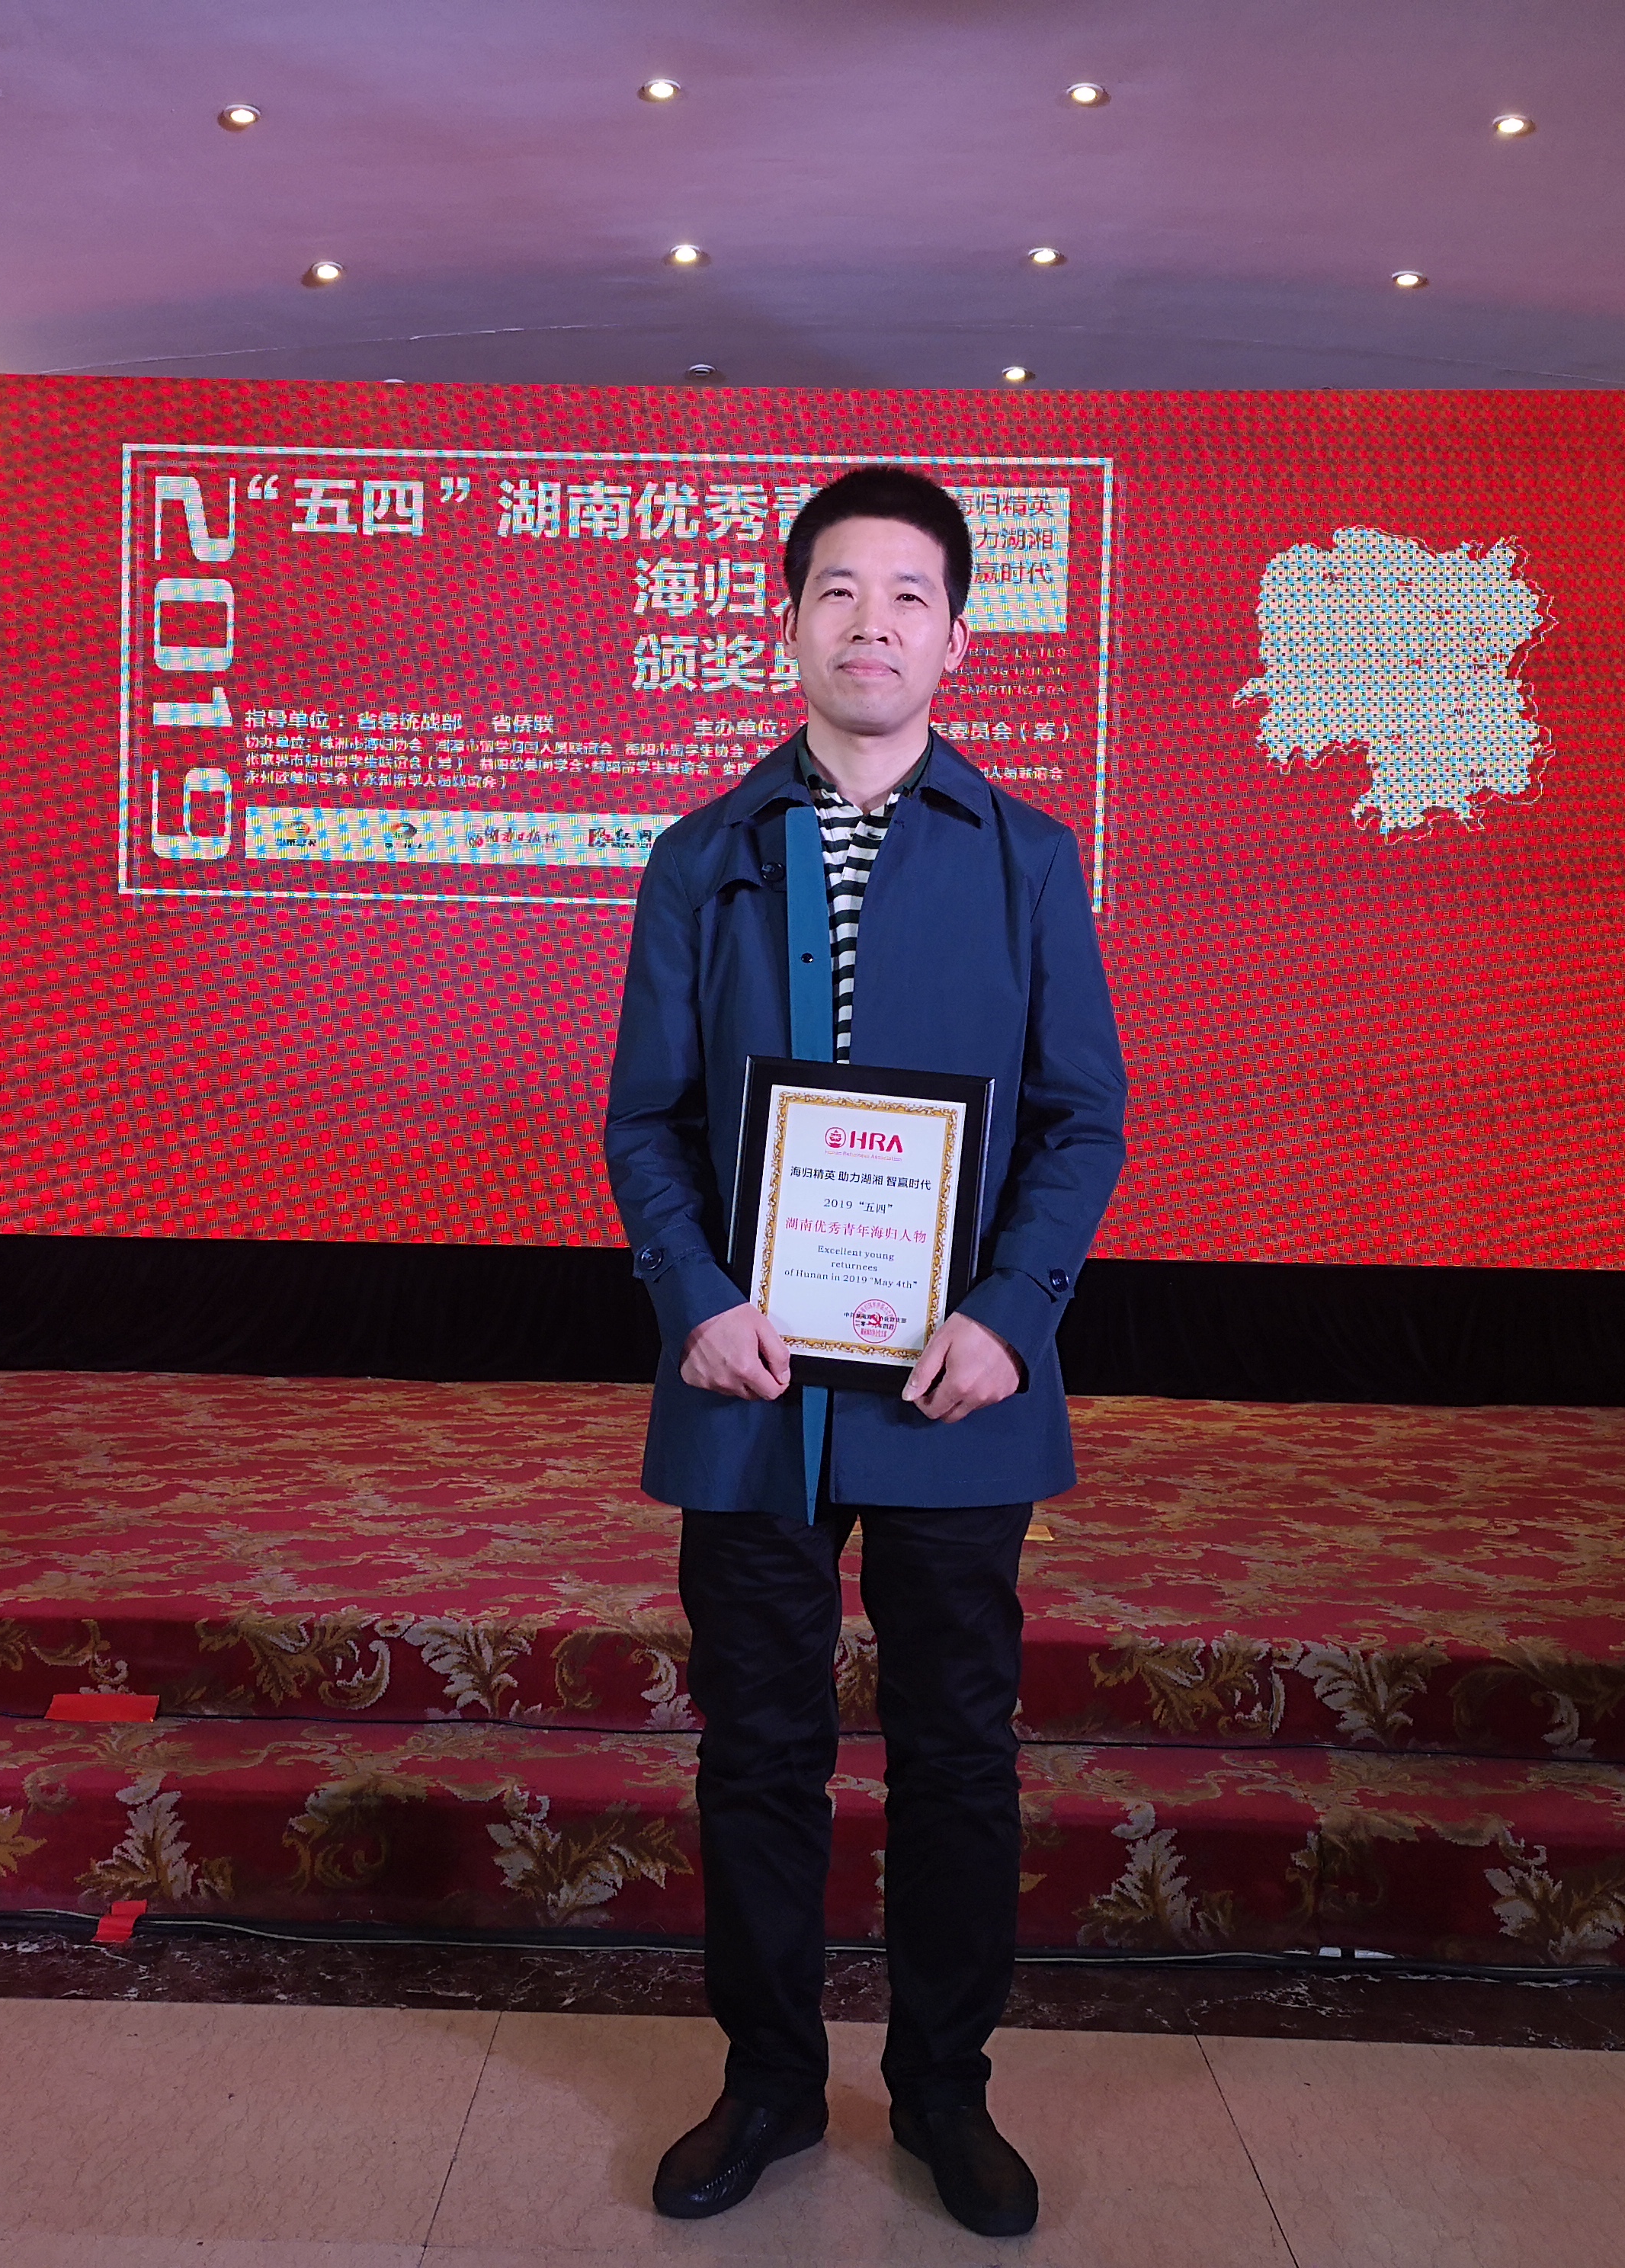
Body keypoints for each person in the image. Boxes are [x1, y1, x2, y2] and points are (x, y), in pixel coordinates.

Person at [603, 464, 1127, 2238]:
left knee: (956, 1752)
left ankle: (942, 2091)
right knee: (755, 1747)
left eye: (909, 595)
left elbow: (1079, 1118)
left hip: (950, 1386)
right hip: (750, 1385)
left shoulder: (1025, 855)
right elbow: (647, 1119)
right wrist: (695, 1295)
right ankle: (765, 2081)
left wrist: (1010, 1313)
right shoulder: (702, 854)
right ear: (789, 626)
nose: (872, 623)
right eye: (837, 590)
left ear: (957, 638)